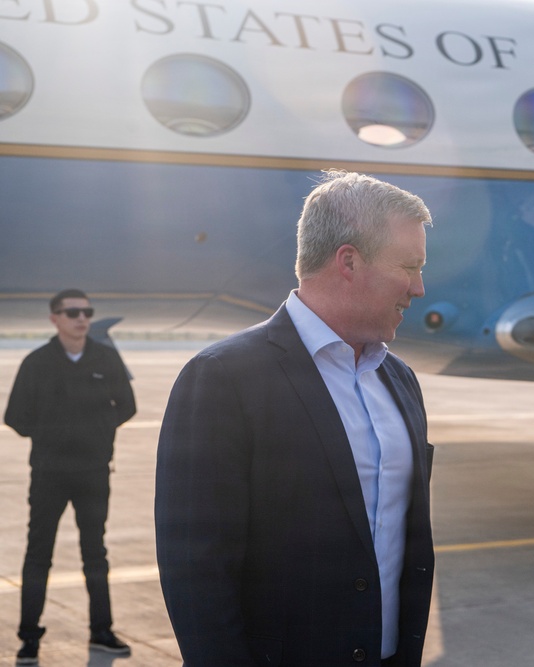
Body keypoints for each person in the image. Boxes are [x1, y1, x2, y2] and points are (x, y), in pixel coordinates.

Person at [154, 170, 435, 666]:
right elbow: (196, 573)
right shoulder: (222, 378)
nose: (419, 287)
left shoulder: (400, 380)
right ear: (348, 260)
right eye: (409, 267)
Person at [4, 289, 136, 664]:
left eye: (87, 312)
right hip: (48, 474)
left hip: (94, 473)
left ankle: (102, 632)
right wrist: (52, 436)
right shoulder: (37, 362)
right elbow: (15, 416)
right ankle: (29, 638)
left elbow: (127, 406)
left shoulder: (105, 359)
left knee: (96, 554)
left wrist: (96, 435)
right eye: (73, 312)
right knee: (38, 555)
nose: (82, 318)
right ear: (55, 319)